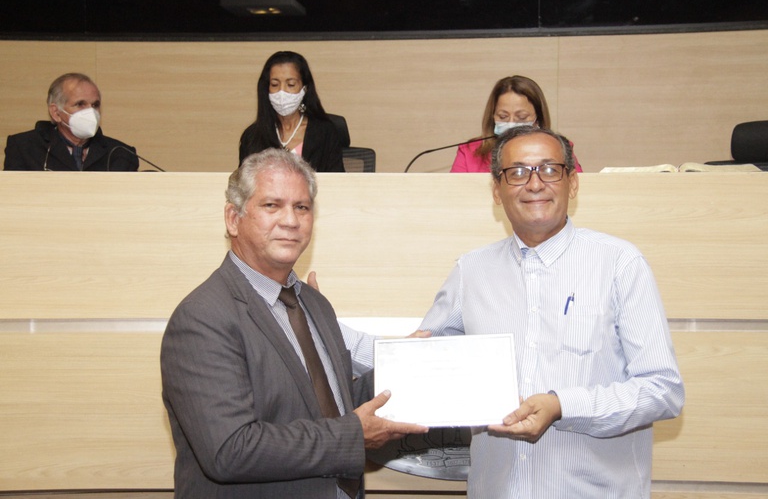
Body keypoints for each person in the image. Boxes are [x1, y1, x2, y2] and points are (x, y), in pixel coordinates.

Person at [420, 126, 684, 497]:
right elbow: (425, 360)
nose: (534, 184)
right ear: (496, 190)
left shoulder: (619, 264)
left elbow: (663, 390)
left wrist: (563, 406)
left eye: (549, 170)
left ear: (572, 183)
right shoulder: (471, 271)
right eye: (517, 172)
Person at [160, 148, 426, 498]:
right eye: (272, 205)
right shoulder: (202, 318)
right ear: (233, 218)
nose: (291, 220)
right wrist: (353, 435)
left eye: (302, 207)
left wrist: (403, 368)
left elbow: (333, 404)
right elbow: (231, 450)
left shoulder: (315, 304)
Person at [4, 72, 138, 171]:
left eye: (95, 105)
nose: (91, 112)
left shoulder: (122, 154)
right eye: (80, 104)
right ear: (56, 113)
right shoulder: (23, 147)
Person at [450, 75, 583, 173]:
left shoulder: (560, 149)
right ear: (492, 116)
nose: (511, 123)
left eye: (521, 117)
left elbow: (577, 189)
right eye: (503, 116)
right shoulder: (469, 152)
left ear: (538, 119)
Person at [239, 51, 345, 172]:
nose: (282, 92)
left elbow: (337, 180)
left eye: (290, 84)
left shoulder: (325, 132)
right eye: (274, 84)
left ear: (304, 88)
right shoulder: (252, 136)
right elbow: (242, 181)